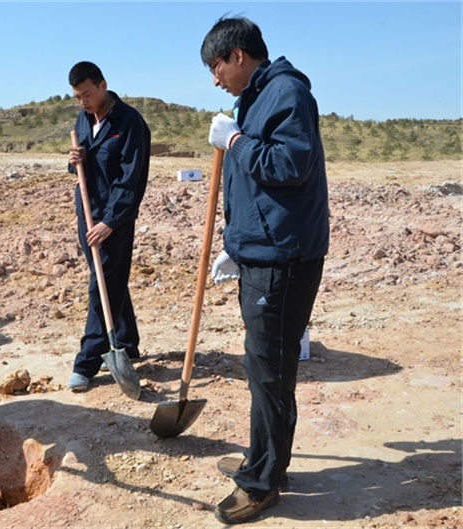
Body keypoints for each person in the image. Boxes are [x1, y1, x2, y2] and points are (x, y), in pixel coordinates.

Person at [200, 16, 330, 524]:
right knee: (263, 368)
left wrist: (234, 142)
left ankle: (262, 482)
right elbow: (255, 187)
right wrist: (237, 243)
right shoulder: (255, 98)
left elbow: (288, 166)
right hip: (262, 250)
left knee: (270, 372)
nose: (214, 79)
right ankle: (266, 460)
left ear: (238, 56)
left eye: (216, 66)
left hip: (284, 260)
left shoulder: (288, 94)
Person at [65, 61, 150, 392]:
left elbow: (131, 181)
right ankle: (127, 342)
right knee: (108, 280)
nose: (83, 102)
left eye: (86, 94)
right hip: (86, 213)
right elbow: (83, 171)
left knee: (99, 286)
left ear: (103, 85)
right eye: (77, 97)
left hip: (113, 220)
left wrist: (110, 223)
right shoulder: (83, 120)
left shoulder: (130, 123)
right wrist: (75, 162)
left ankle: (87, 361)